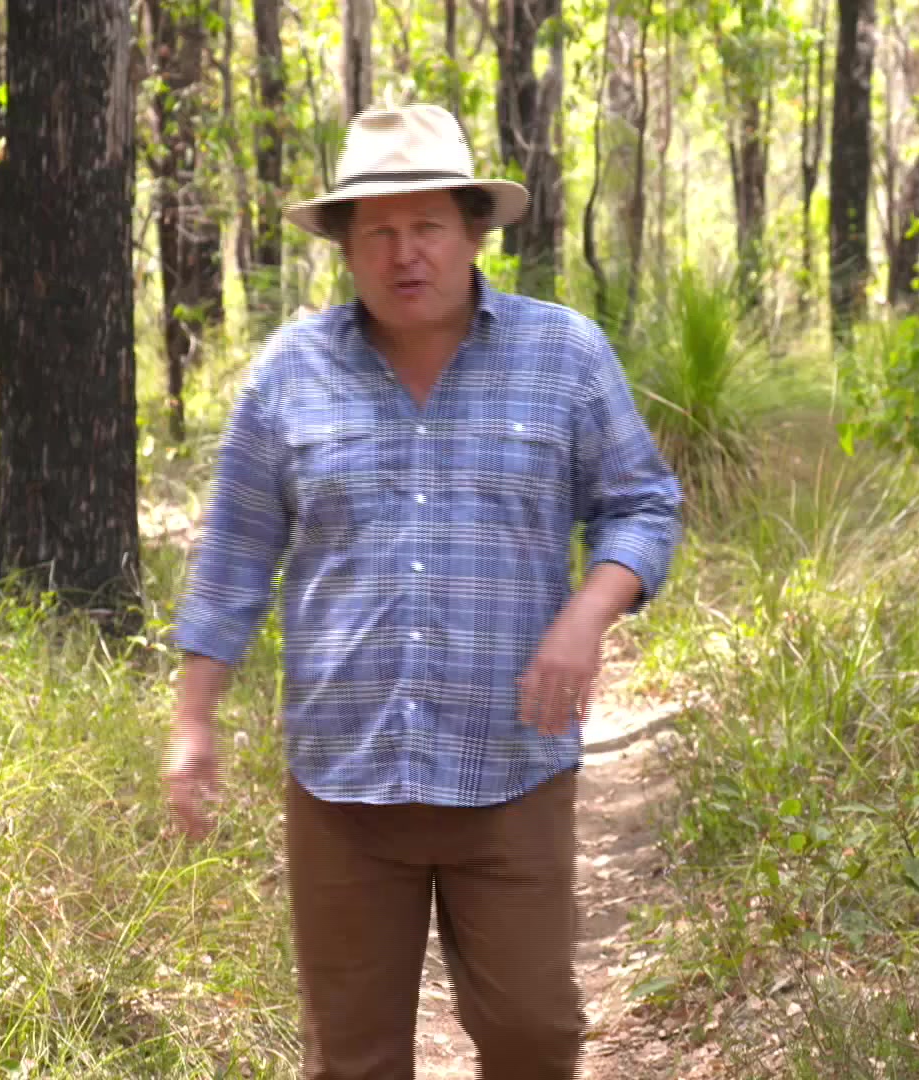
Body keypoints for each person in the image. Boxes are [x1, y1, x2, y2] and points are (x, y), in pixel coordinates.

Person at [163, 102, 683, 1080]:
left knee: (535, 1034)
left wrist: (587, 614)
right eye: (380, 232)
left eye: (429, 226)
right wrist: (194, 720)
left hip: (511, 772)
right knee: (352, 1059)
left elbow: (644, 506)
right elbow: (234, 554)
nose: (406, 254)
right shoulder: (288, 377)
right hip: (343, 787)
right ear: (346, 248)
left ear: (475, 231)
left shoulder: (564, 356)